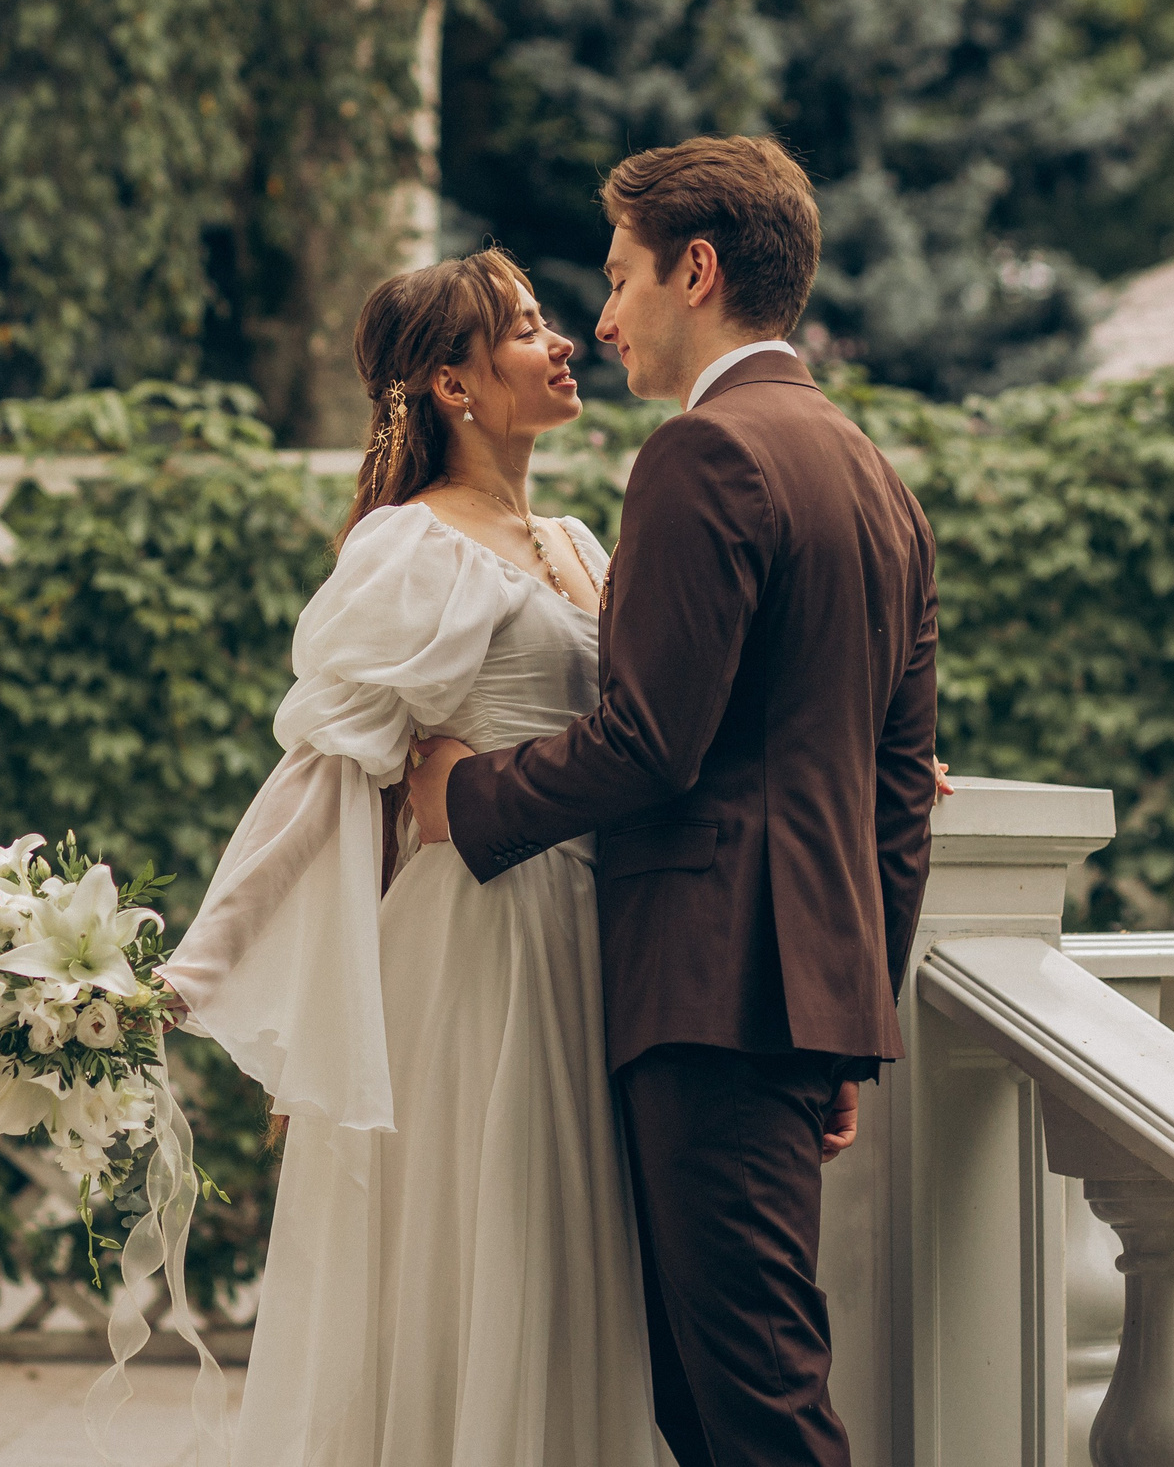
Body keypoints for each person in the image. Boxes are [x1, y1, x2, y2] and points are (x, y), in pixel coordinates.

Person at [406, 135, 940, 1467]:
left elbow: (650, 741)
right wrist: (845, 1004)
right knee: (718, 1400)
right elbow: (897, 793)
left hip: (703, 993)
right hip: (784, 1001)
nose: (603, 318)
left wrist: (466, 799)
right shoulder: (877, 480)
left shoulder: (703, 456)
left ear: (697, 270)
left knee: (750, 1406)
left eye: (623, 278)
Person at [162, 246, 674, 1467]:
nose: (565, 343)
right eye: (528, 327)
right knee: (474, 1250)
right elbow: (323, 778)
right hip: (472, 953)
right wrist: (193, 966)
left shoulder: (575, 541)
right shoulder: (409, 548)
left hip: (591, 935)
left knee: (566, 1261)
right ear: (452, 382)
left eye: (557, 320)